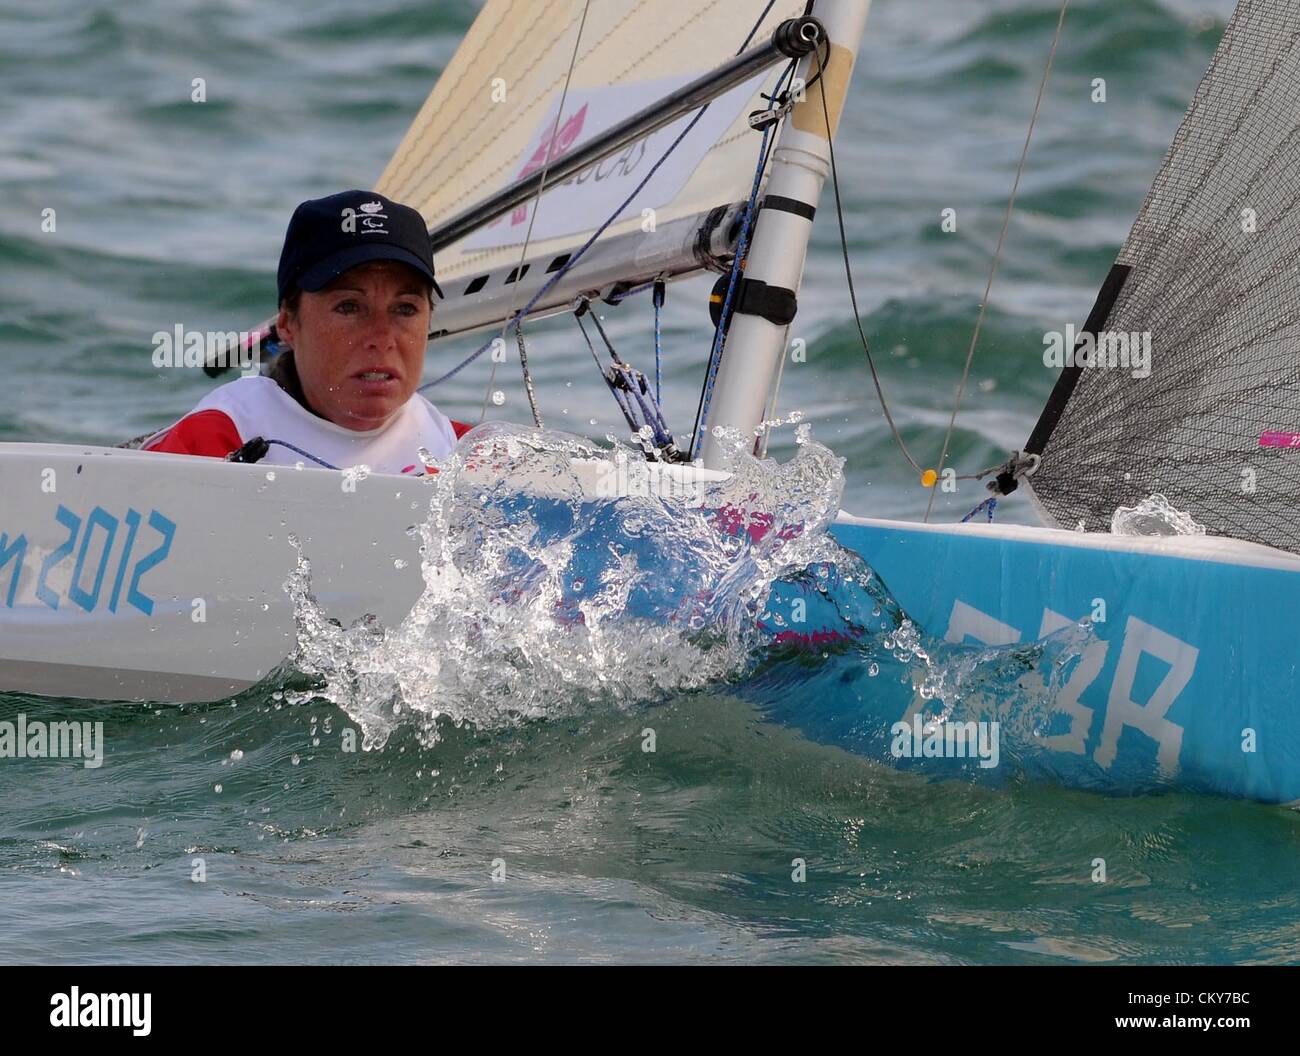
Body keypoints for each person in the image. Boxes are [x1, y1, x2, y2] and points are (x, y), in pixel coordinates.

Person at [144, 190, 472, 473]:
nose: (381, 338)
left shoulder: (470, 457)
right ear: (287, 323)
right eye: (349, 307)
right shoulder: (215, 439)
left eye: (404, 309)